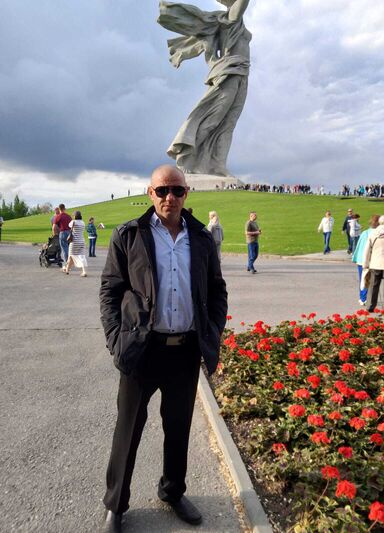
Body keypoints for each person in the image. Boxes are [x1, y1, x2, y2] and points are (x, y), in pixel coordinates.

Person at [99, 164, 227, 532]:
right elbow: (110, 291)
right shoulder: (129, 235)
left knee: (178, 425)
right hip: (142, 349)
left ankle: (172, 491)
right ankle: (116, 505)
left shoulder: (201, 237)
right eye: (162, 190)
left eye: (177, 190)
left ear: (187, 193)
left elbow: (216, 289)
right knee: (128, 429)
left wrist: (213, 331)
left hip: (184, 350)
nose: (169, 197)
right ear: (150, 192)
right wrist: (115, 338)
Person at [158, 0, 251, 176]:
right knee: (213, 118)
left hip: (242, 73)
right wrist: (216, 64)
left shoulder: (234, 22)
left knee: (228, 123)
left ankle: (218, 165)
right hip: (229, 72)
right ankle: (186, 157)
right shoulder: (230, 18)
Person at [352, 215, 379, 306]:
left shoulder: (365, 233)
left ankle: (363, 298)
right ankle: (368, 298)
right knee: (373, 281)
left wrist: (355, 258)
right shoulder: (378, 234)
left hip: (362, 260)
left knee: (363, 279)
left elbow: (359, 246)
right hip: (374, 260)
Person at [63, 211, 88, 277]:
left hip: (74, 242)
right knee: (82, 256)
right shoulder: (83, 222)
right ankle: (84, 271)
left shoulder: (73, 222)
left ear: (75, 216)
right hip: (82, 241)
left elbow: (69, 225)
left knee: (71, 256)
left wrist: (72, 219)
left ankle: (67, 270)